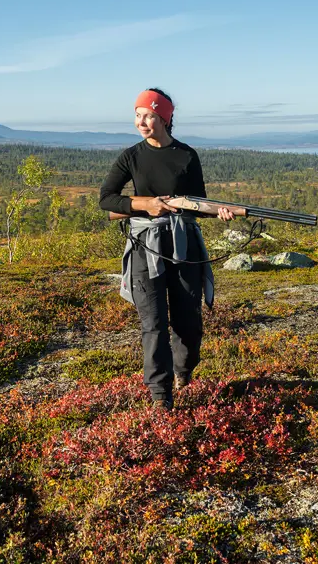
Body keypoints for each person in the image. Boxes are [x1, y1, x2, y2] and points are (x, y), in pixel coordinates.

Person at [99, 88, 234, 410]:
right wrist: (146, 204)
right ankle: (160, 395)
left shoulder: (187, 155)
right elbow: (106, 200)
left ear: (164, 118)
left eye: (148, 116)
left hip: (184, 244)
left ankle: (183, 372)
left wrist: (220, 211)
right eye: (137, 115)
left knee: (189, 321)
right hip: (145, 245)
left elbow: (197, 204)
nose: (141, 122)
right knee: (153, 323)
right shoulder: (131, 156)